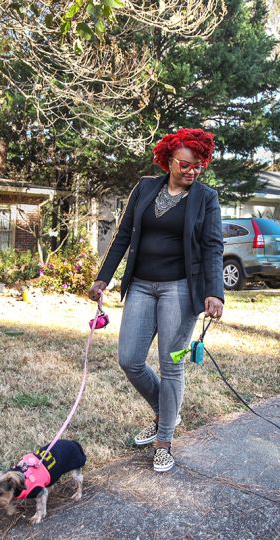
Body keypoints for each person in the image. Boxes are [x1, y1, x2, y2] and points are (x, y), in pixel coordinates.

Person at [88, 128, 224, 472]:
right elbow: (122, 236)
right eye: (186, 164)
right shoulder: (146, 188)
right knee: (130, 359)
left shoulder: (206, 198)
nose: (193, 171)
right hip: (142, 286)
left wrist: (214, 292)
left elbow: (212, 247)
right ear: (169, 160)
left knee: (171, 363)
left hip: (179, 289)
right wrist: (104, 277)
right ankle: (167, 412)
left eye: (199, 165)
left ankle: (164, 441)